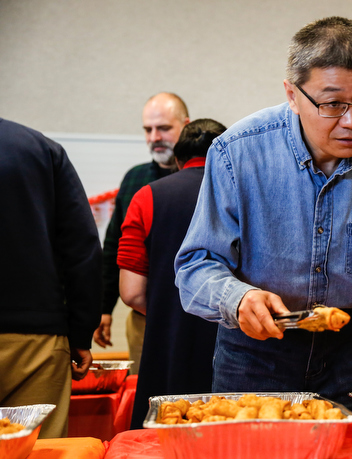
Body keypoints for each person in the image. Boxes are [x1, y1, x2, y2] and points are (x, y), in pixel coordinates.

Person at [174, 17, 352, 413]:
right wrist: (239, 298)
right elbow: (197, 265)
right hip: (256, 354)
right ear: (292, 95)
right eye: (332, 104)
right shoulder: (238, 153)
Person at [118, 119, 226, 429]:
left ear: (178, 161)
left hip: (169, 343)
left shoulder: (147, 197)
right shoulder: (248, 195)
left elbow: (132, 292)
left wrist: (172, 313)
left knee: (164, 436)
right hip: (234, 344)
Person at [0, 118, 101, 438]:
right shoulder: (38, 149)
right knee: (38, 449)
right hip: (35, 341)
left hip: (37, 331)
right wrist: (81, 333)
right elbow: (82, 248)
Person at [94, 93, 189, 374]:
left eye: (164, 128)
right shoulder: (134, 178)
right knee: (144, 392)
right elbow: (113, 247)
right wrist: (104, 307)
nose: (154, 137)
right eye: (148, 130)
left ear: (186, 125)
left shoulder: (211, 175)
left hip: (201, 314)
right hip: (144, 314)